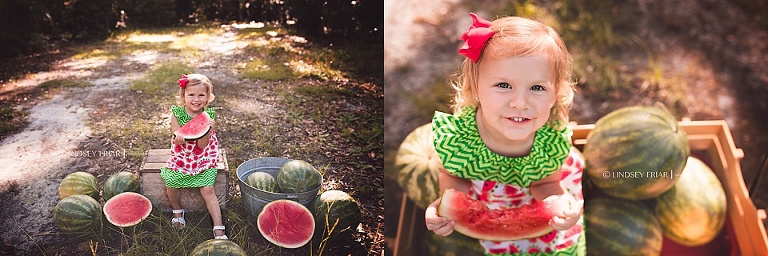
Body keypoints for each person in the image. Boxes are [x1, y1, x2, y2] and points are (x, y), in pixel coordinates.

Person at [424, 13, 585, 254]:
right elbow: (454, 178)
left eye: (537, 88)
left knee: (563, 246)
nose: (520, 103)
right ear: (476, 86)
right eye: (503, 85)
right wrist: (443, 207)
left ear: (555, 95)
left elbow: (547, 183)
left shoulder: (549, 142)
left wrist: (560, 205)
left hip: (538, 193)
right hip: (489, 202)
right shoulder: (460, 139)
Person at [160, 73, 227, 240]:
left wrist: (208, 129)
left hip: (203, 156)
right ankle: (177, 212)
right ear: (183, 97)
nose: (196, 99)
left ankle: (218, 226)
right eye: (191, 95)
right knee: (171, 183)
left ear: (208, 97)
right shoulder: (176, 113)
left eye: (201, 95)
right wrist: (180, 138)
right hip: (182, 155)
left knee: (208, 188)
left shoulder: (209, 115)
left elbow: (202, 145)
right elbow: (176, 135)